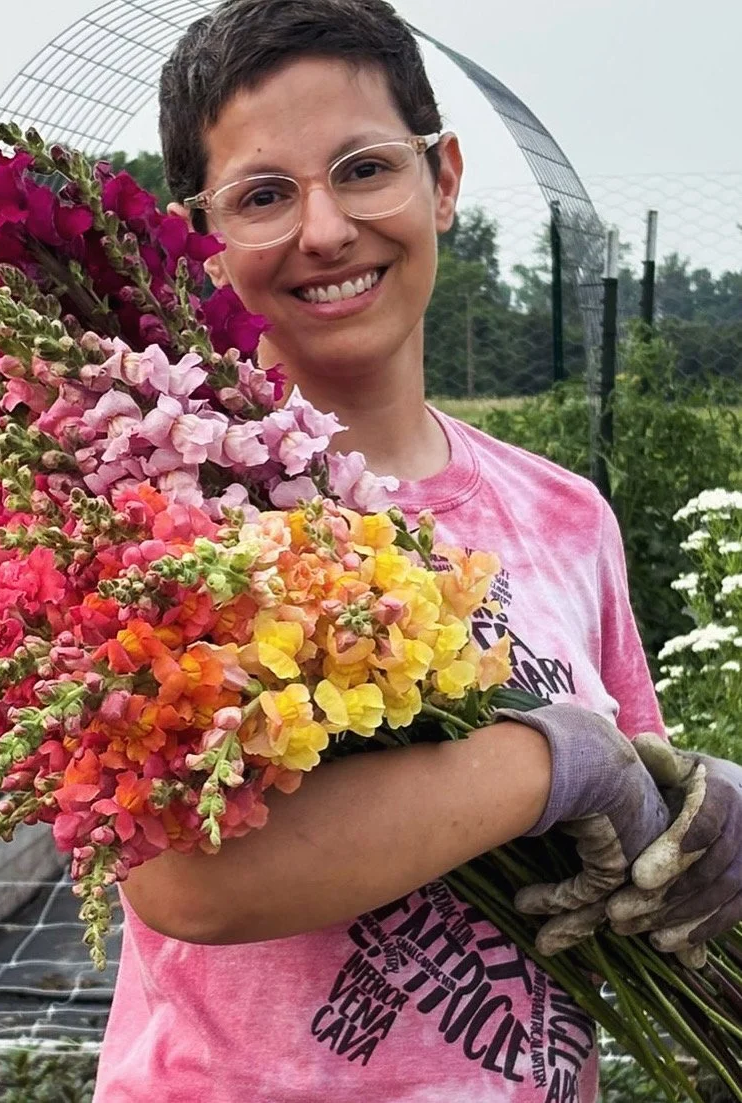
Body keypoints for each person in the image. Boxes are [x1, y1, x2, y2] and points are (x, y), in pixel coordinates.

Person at [92, 2, 742, 1099]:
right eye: (262, 194)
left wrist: (706, 823)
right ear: (196, 235)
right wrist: (551, 761)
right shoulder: (168, 513)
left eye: (361, 168)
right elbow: (188, 881)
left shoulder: (566, 516)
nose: (326, 229)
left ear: (441, 178)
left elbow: (637, 837)